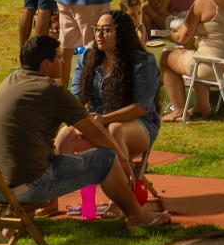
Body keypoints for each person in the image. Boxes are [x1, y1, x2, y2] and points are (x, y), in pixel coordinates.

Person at [0, 35, 168, 227]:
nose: (63, 60)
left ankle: (35, 213)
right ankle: (137, 216)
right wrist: (123, 160)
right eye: (58, 57)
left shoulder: (8, 82)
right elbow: (94, 132)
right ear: (45, 64)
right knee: (107, 158)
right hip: (24, 188)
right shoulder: (50, 89)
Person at [59, 9, 161, 163]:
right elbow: (77, 96)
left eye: (106, 30)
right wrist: (82, 121)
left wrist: (104, 120)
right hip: (97, 121)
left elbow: (141, 107)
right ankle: (68, 185)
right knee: (65, 135)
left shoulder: (142, 62)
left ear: (121, 33)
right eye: (97, 29)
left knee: (115, 129)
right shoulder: (87, 58)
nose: (99, 34)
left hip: (138, 124)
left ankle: (122, 184)